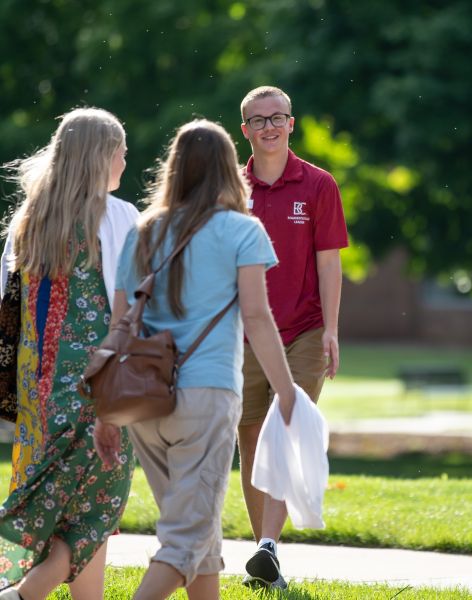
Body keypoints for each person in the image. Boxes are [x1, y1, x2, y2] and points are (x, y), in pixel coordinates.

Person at [93, 118, 297, 600]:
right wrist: (286, 392)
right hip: (205, 397)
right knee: (185, 541)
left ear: (174, 168)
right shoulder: (242, 231)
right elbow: (257, 317)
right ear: (230, 169)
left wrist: (106, 414)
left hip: (145, 402)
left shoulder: (143, 230)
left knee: (198, 538)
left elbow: (119, 324)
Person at [0, 107, 137, 600]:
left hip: (38, 389)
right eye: (121, 150)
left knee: (64, 503)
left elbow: (7, 309)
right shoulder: (117, 216)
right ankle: (21, 595)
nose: (126, 158)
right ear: (101, 156)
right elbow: (136, 301)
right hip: (98, 384)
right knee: (97, 506)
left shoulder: (28, 219)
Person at [237, 86, 348, 588]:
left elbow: (329, 260)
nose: (269, 127)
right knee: (249, 434)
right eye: (259, 120)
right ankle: (265, 555)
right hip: (243, 333)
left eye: (277, 117)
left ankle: (268, 547)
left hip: (302, 331)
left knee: (283, 426)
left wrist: (330, 328)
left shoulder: (319, 185)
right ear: (245, 130)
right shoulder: (231, 188)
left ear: (291, 123)